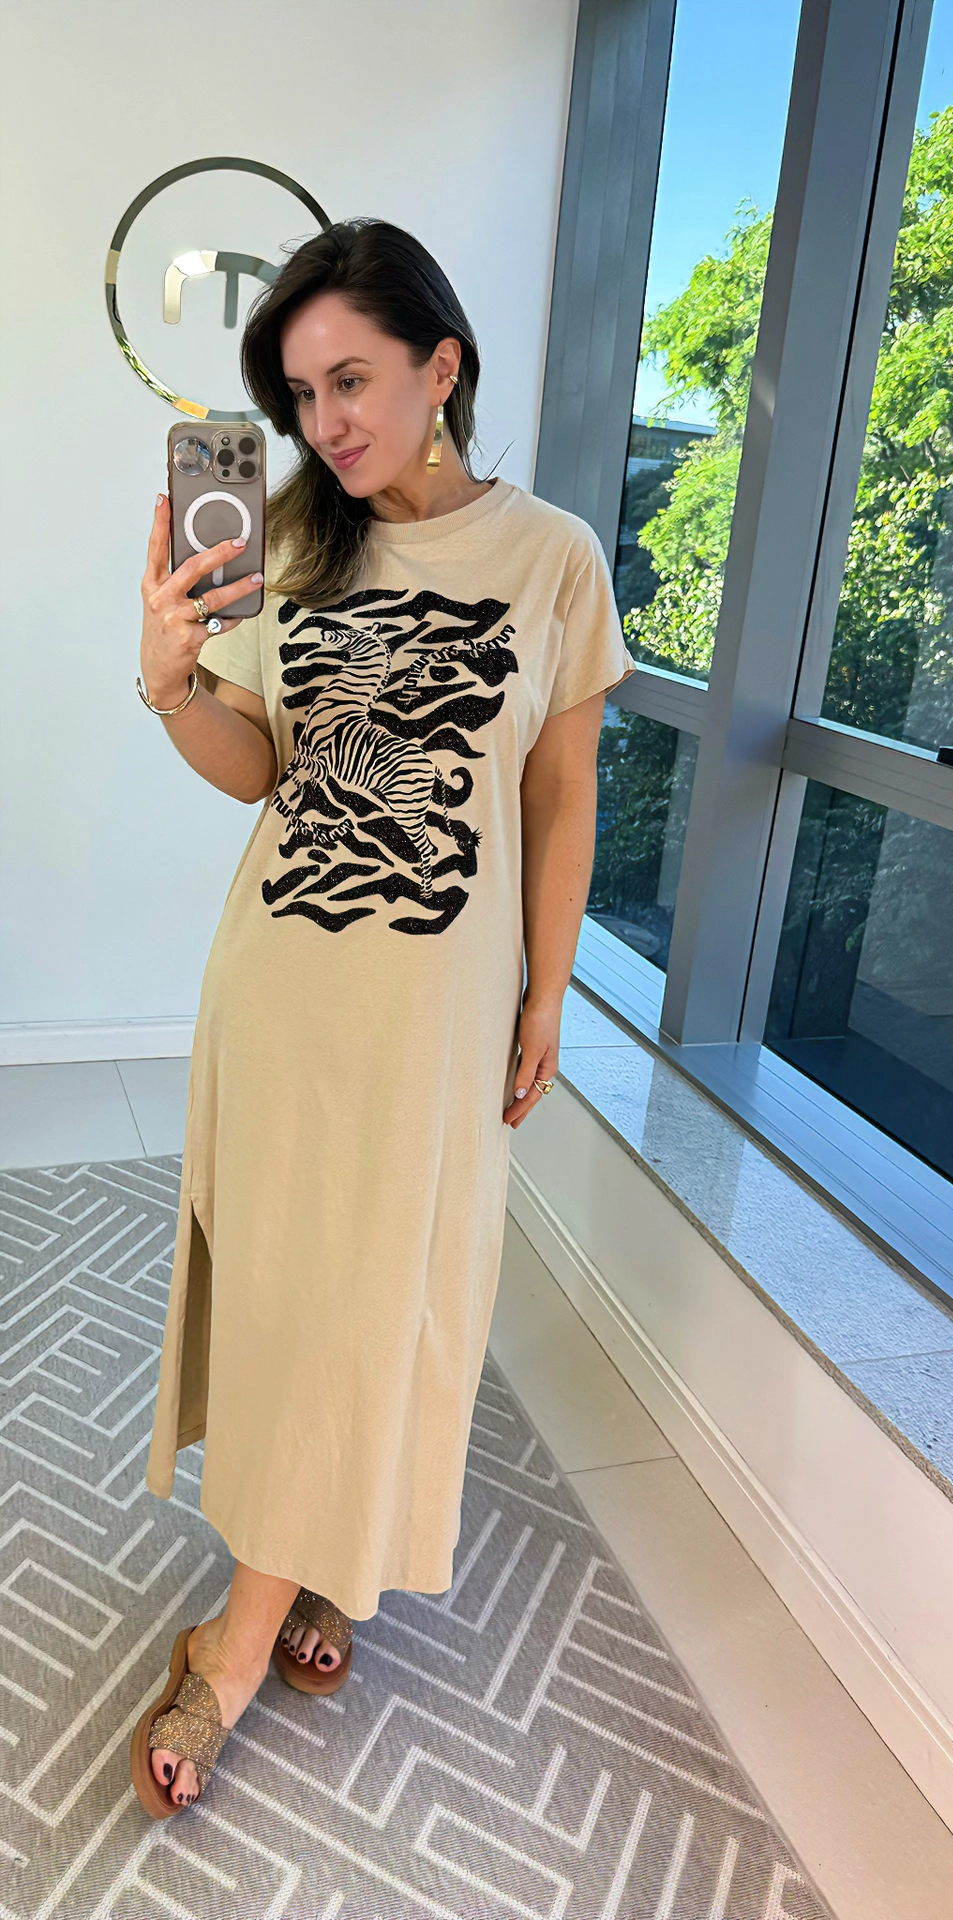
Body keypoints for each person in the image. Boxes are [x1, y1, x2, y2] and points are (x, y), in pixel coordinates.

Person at [126, 217, 635, 1816]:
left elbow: (560, 798)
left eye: (349, 379)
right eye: (299, 394)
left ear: (441, 365)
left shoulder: (552, 558)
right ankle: (267, 1613)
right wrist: (171, 683)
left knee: (392, 1299)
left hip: (435, 1013)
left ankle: (271, 1602)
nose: (324, 421)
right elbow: (256, 773)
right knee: (300, 1299)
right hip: (285, 992)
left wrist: (547, 988)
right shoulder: (290, 538)